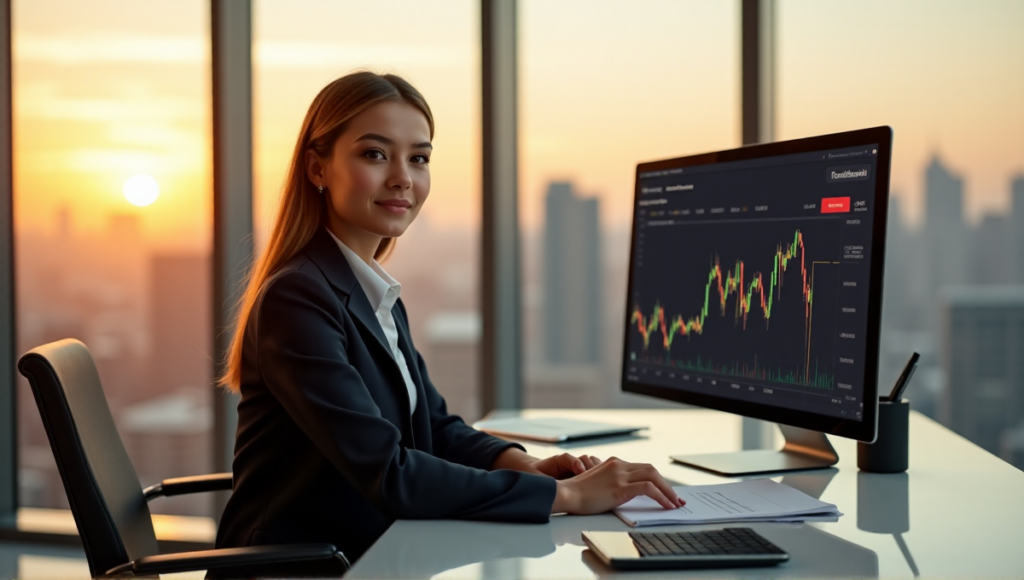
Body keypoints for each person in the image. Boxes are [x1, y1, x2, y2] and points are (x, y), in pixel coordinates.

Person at [213, 71, 682, 573]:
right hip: (302, 568)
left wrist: (526, 464)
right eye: (375, 154)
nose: (403, 178)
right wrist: (563, 494)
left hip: (373, 551)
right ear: (317, 168)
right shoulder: (298, 296)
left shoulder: (375, 291)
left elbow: (435, 428)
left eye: (419, 158)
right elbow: (389, 472)